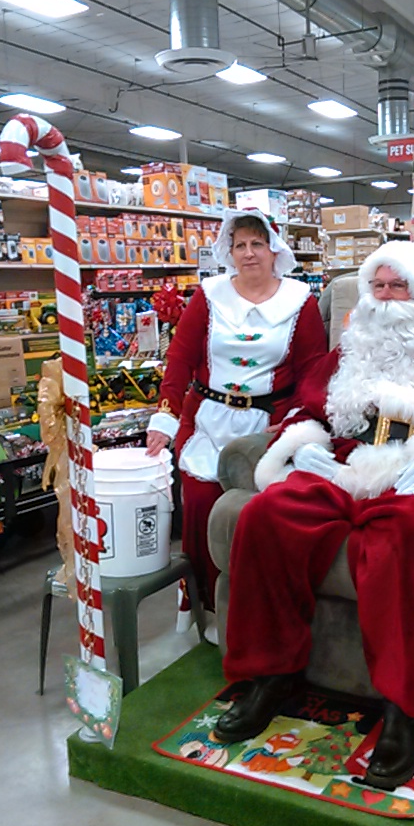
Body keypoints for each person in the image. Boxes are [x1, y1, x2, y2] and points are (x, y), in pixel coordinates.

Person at [212, 241, 414, 790]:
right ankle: (272, 675)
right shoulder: (352, 345)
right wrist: (303, 443)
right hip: (345, 465)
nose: (386, 297)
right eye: (379, 286)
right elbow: (306, 405)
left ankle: (405, 708)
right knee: (267, 514)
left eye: (399, 286)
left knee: (413, 537)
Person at [145, 208, 327, 640]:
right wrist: (164, 418)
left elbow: (313, 370)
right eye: (240, 245)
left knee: (255, 517)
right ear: (229, 252)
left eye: (257, 244)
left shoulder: (300, 301)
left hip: (267, 427)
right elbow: (180, 359)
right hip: (206, 423)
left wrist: (298, 422)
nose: (249, 253)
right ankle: (205, 607)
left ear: (274, 250)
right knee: (201, 508)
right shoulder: (209, 296)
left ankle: (256, 612)